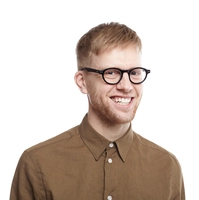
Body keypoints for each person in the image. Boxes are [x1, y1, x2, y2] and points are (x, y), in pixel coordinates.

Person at [10, 22, 185, 200]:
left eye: (134, 73)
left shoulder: (167, 167)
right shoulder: (37, 163)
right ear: (82, 82)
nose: (126, 86)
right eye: (111, 73)